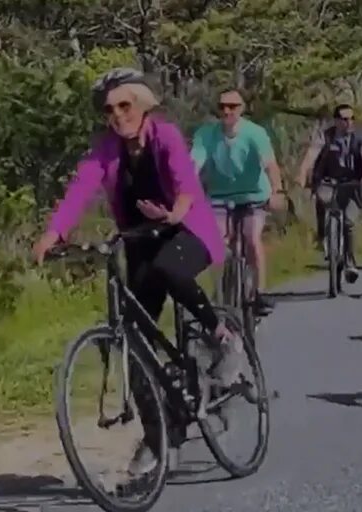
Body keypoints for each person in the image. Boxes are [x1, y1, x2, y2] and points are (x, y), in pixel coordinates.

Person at [32, 67, 232, 475]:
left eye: (125, 105)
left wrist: (176, 209)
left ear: (143, 106)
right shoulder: (106, 149)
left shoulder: (167, 137)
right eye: (110, 109)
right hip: (140, 238)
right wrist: (55, 231)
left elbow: (185, 182)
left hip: (187, 230)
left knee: (171, 272)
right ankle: (162, 436)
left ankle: (221, 337)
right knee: (132, 341)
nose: (118, 115)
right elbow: (81, 189)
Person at [190, 87, 285, 314]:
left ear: (241, 109)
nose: (227, 111)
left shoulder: (255, 133)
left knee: (251, 238)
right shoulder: (206, 134)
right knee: (218, 241)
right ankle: (222, 291)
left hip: (254, 196)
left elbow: (270, 165)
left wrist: (277, 191)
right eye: (222, 106)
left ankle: (260, 292)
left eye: (232, 106)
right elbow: (193, 165)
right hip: (220, 197)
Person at [295, 103, 362, 283]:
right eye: (344, 119)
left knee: (349, 221)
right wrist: (302, 174)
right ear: (336, 121)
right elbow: (312, 153)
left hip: (353, 183)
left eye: (351, 119)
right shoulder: (326, 136)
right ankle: (323, 237)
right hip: (328, 181)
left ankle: (349, 261)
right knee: (323, 200)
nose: (349, 123)